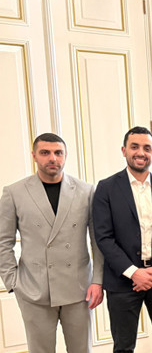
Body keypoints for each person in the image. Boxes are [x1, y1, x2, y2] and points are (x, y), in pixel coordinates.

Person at [0, 133, 103, 353]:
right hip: (33, 289)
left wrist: (98, 281)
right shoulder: (14, 192)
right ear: (34, 156)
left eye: (58, 152)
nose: (52, 158)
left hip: (78, 289)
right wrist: (12, 281)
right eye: (45, 152)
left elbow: (97, 241)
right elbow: (3, 241)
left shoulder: (86, 191)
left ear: (66, 155)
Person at [92, 126, 152, 353]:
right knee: (123, 347)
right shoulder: (106, 188)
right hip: (122, 281)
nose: (141, 152)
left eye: (147, 148)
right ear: (124, 150)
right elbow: (104, 237)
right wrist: (134, 272)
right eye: (134, 147)